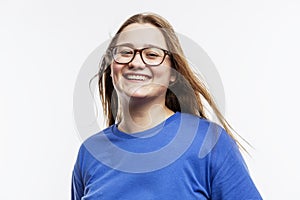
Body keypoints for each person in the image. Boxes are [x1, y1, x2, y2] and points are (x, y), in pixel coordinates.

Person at [71, 12, 262, 199]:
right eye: (125, 52)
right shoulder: (89, 152)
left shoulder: (209, 142)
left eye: (152, 54)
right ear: (112, 68)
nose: (136, 62)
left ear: (172, 74)